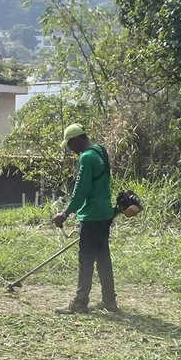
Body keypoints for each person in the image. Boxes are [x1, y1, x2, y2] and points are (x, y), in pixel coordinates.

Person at [52, 123, 118, 314]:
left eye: (71, 144)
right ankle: (109, 301)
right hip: (105, 212)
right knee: (103, 258)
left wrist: (65, 214)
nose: (71, 149)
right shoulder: (100, 151)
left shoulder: (86, 158)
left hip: (92, 215)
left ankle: (80, 303)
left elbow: (81, 190)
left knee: (86, 259)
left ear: (78, 140)